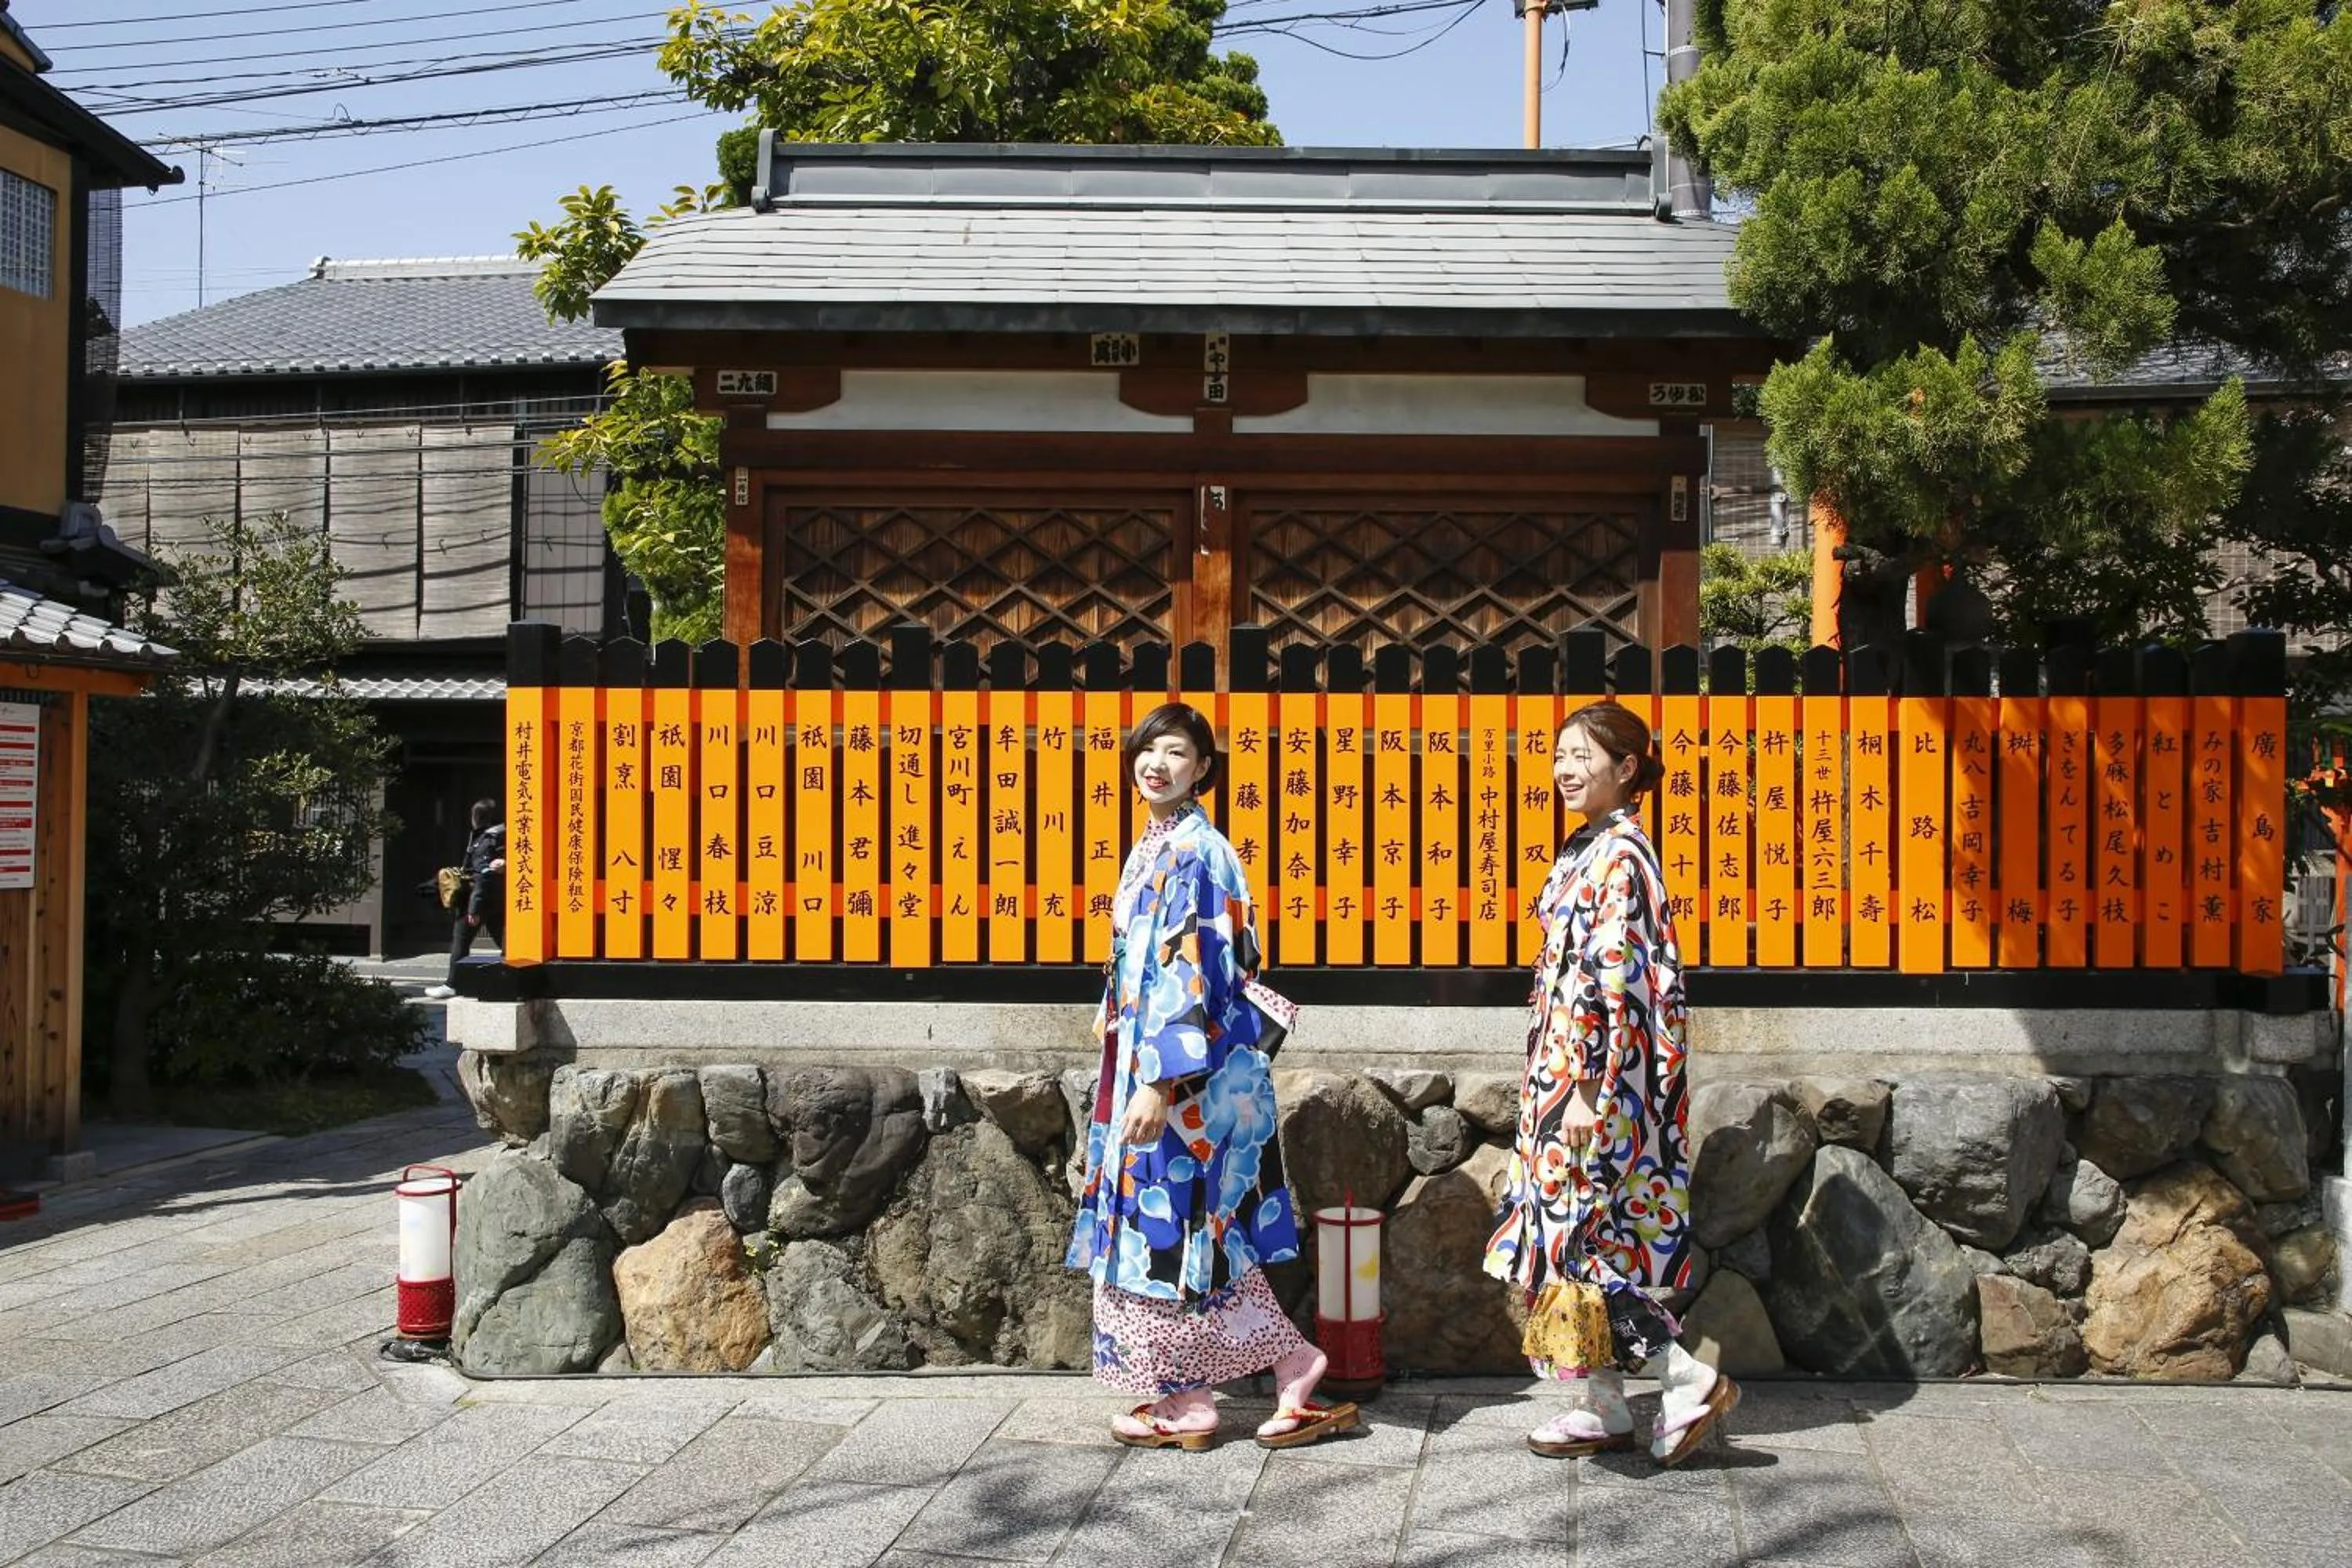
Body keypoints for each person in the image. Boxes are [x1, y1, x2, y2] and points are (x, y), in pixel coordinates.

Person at [1065, 702, 1357, 1452]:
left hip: (1180, 1080)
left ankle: (1196, 1398)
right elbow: (1147, 960)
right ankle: (1266, 1369)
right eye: (1148, 750)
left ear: (1202, 769)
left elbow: (1191, 971)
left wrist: (1159, 1084)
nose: (1157, 764)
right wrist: (1114, 1014)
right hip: (1160, 1062)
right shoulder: (1162, 843)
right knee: (1185, 1231)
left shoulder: (1194, 851)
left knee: (1172, 1226)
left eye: (1176, 753)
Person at [1483, 701, 1737, 1466]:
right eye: (1559, 754)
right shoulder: (1586, 849)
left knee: (1584, 1242)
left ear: (1626, 768)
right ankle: (1600, 1402)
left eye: (1581, 755)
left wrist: (1590, 1086)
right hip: (1564, 1078)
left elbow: (1613, 981)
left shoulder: (1621, 856)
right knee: (1568, 1238)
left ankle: (1684, 1373)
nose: (1564, 768)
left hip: (1595, 1086)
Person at [422, 798, 505, 1000]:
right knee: (504, 940)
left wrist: (474, 909)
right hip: (498, 899)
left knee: (461, 939)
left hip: (479, 899)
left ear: (477, 818)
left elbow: (483, 875)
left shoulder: (485, 840)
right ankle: (511, 977)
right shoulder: (504, 836)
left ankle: (452, 984)